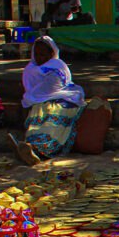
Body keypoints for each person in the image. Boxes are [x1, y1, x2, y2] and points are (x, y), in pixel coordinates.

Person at [14, 36, 86, 166]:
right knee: (37, 116)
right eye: (36, 54)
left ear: (51, 53)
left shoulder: (58, 66)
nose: (39, 57)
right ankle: (30, 146)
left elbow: (51, 88)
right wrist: (32, 96)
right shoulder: (30, 68)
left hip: (63, 99)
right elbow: (31, 89)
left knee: (54, 120)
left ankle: (40, 149)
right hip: (39, 102)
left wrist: (32, 95)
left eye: (43, 54)